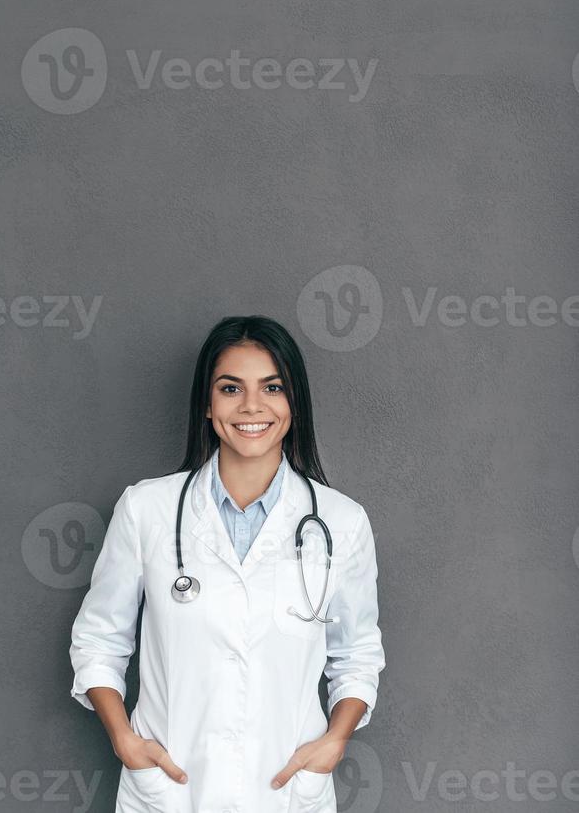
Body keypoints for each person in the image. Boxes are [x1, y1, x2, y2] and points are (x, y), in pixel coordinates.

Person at [69, 315, 386, 813]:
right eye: (231, 388)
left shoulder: (341, 522)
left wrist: (335, 740)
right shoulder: (146, 509)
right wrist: (123, 739)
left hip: (285, 791)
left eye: (273, 387)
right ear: (207, 404)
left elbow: (357, 654)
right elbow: (98, 639)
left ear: (294, 403)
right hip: (171, 790)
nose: (252, 406)